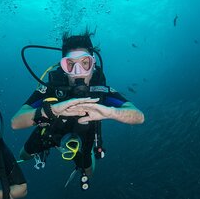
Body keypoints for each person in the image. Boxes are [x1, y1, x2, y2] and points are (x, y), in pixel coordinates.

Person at [11, 29, 144, 179]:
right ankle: (45, 151)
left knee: (88, 172)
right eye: (70, 64)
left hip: (85, 135)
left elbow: (138, 117)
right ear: (63, 67)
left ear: (93, 65)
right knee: (24, 155)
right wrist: (51, 111)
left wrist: (110, 113)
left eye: (85, 63)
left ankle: (89, 155)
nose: (78, 71)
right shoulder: (51, 88)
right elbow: (15, 122)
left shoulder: (99, 90)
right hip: (48, 133)